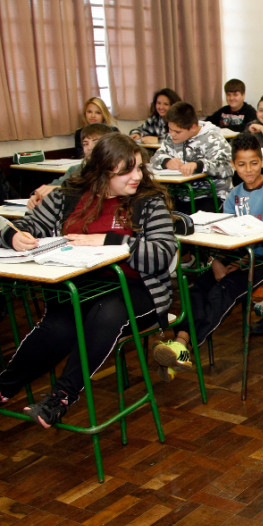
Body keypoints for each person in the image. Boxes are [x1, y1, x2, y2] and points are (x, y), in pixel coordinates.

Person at [0, 134, 177, 427]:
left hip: (136, 290)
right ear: (103, 171)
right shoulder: (66, 197)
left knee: (106, 314)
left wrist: (110, 240)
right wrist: (15, 237)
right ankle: (5, 387)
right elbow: (26, 225)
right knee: (57, 328)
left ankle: (61, 397)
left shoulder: (148, 202)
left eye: (139, 168)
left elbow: (161, 254)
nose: (137, 176)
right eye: (127, 170)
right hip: (81, 287)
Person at [153, 132, 263, 375]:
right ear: (233, 165)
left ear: (262, 161)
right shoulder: (234, 194)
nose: (248, 169)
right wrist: (217, 261)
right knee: (200, 286)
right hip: (238, 258)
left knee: (225, 289)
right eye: (242, 164)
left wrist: (242, 257)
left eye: (254, 162)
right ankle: (180, 343)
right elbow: (224, 233)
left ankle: (183, 348)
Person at [150, 101, 233, 211]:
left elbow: (227, 166)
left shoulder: (213, 138)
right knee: (158, 209)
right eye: (170, 129)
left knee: (192, 216)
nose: (172, 134)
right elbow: (155, 158)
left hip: (210, 195)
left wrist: (198, 165)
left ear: (193, 127)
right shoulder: (172, 138)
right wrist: (166, 161)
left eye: (178, 132)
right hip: (181, 194)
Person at [29, 123, 118, 210]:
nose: (90, 148)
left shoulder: (116, 170)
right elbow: (55, 185)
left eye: (95, 142)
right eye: (85, 144)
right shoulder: (76, 169)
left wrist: (61, 189)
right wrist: (37, 195)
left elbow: (95, 191)